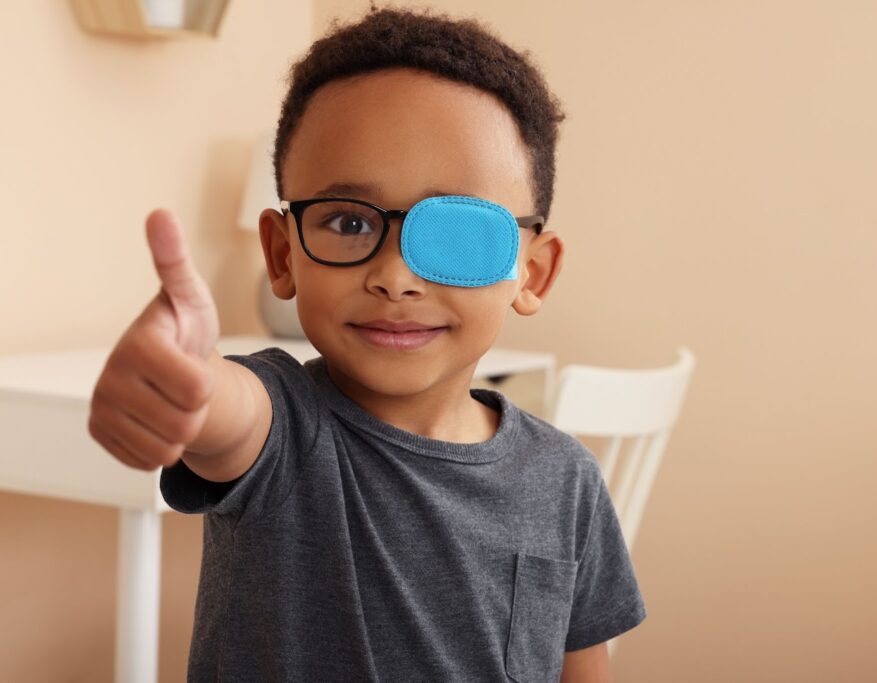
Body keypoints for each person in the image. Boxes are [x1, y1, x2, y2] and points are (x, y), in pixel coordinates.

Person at [88, 5, 645, 681]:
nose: (394, 276)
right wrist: (184, 379)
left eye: (458, 231)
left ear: (531, 271)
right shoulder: (284, 425)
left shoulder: (568, 481)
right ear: (282, 253)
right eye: (350, 221)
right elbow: (228, 411)